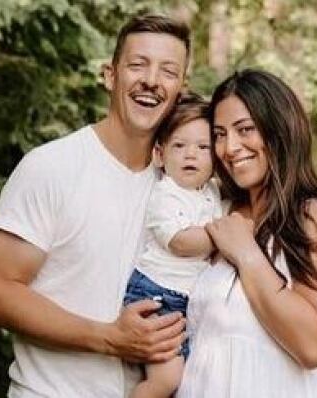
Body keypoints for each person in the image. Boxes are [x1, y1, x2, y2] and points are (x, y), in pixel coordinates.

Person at [0, 15, 192, 397]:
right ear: (110, 75)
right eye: (138, 65)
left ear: (181, 89)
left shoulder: (180, 186)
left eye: (168, 71)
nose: (152, 80)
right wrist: (108, 338)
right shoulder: (52, 167)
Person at [177, 69, 317, 397]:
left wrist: (247, 255)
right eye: (219, 134)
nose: (229, 147)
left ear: (279, 129)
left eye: (245, 129)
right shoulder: (216, 212)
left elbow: (314, 346)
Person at [122, 93, 222, 398]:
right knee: (166, 380)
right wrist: (226, 236)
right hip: (156, 297)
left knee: (190, 380)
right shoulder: (165, 195)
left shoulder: (211, 192)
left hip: (185, 301)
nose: (191, 154)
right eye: (179, 145)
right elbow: (180, 243)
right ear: (159, 155)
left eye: (203, 147)